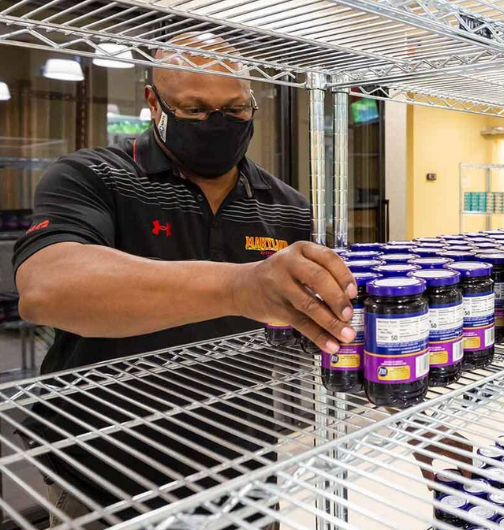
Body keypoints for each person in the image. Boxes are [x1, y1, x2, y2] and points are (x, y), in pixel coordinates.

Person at [14, 35, 470, 529]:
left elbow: (337, 327)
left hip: (241, 461)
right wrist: (239, 287)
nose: (217, 124)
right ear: (154, 102)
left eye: (234, 109)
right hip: (104, 466)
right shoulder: (94, 176)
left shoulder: (285, 206)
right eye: (194, 109)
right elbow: (46, 289)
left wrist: (416, 419)